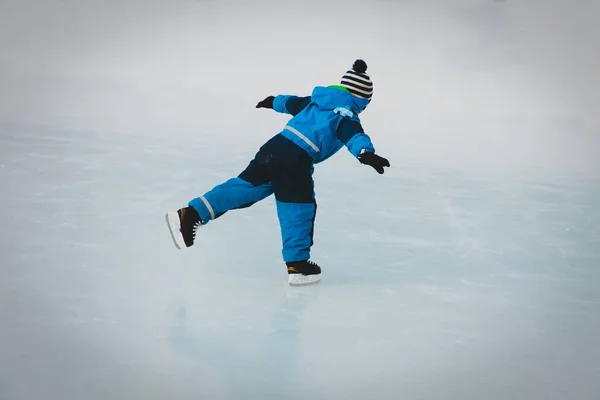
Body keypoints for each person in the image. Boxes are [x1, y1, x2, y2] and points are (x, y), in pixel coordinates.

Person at [165, 59, 390, 286]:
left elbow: (290, 103)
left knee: (244, 187)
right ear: (361, 99)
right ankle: (298, 264)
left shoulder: (316, 101)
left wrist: (272, 101)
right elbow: (354, 136)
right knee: (298, 206)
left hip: (274, 147)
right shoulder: (345, 114)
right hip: (296, 159)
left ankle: (190, 214)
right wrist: (366, 153)